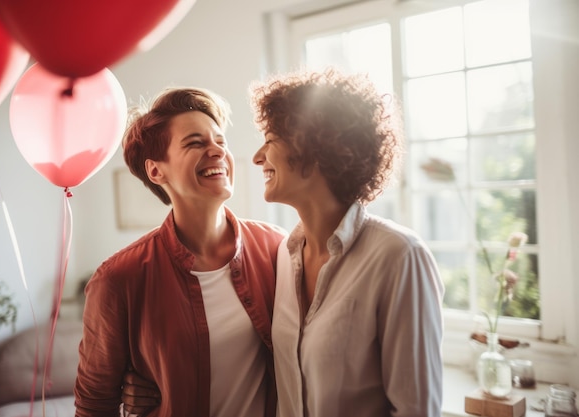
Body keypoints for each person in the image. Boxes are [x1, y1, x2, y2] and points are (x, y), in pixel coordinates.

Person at [74, 87, 286, 417]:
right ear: (156, 171)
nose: (217, 151)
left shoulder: (276, 248)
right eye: (195, 143)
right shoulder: (119, 279)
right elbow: (94, 404)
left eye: (220, 141)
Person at [250, 68, 445, 417]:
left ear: (309, 145)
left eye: (269, 139)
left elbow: (416, 409)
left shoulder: (399, 257)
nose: (257, 157)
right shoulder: (285, 254)